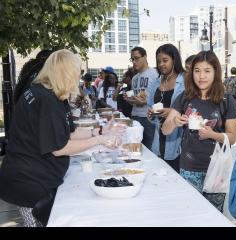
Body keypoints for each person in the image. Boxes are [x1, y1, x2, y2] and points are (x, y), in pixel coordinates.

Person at [0, 49, 123, 227]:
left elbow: (69, 132)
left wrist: (100, 131)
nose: (77, 78)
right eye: (76, 73)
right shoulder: (47, 99)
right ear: (66, 73)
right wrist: (99, 141)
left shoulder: (49, 93)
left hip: (31, 177)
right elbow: (59, 148)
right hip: (28, 182)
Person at [162, 51, 236, 211]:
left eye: (207, 71)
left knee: (213, 216)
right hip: (189, 167)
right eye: (197, 71)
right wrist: (175, 122)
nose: (201, 76)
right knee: (190, 213)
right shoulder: (185, 97)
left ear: (215, 72)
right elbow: (165, 130)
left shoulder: (227, 100)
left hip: (217, 169)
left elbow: (232, 137)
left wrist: (212, 134)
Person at [147, 44, 185, 173]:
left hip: (179, 140)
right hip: (159, 139)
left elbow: (192, 109)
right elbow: (150, 107)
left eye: (165, 60)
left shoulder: (185, 81)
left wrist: (171, 113)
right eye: (158, 62)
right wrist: (151, 115)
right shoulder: (156, 82)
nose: (161, 64)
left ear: (174, 59)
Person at [125, 47, 158, 150]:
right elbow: (135, 101)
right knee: (134, 148)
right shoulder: (134, 78)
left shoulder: (154, 74)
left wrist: (143, 101)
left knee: (150, 149)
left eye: (137, 58)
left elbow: (157, 99)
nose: (134, 62)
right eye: (132, 59)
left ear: (145, 57)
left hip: (148, 118)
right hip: (135, 116)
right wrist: (128, 100)